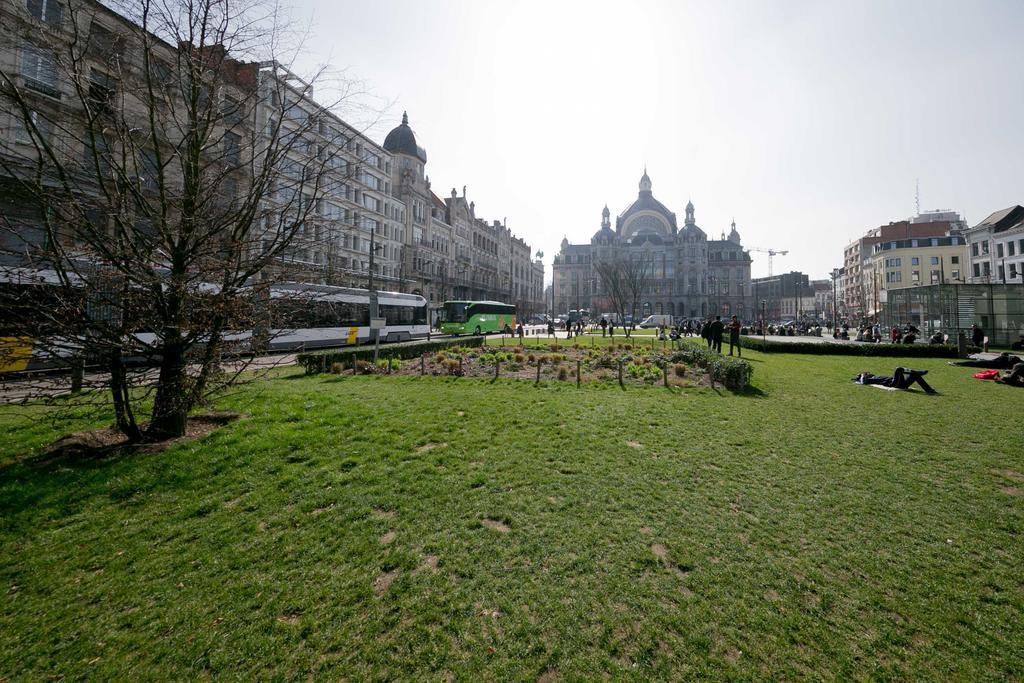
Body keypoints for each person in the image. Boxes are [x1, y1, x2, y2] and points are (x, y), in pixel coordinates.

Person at [853, 367, 936, 394]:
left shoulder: (875, 376)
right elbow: (863, 381)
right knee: (898, 369)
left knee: (914, 375)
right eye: (866, 374)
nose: (868, 373)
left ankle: (929, 390)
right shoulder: (870, 380)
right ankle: (918, 372)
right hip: (894, 384)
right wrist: (862, 375)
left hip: (900, 383)